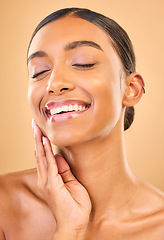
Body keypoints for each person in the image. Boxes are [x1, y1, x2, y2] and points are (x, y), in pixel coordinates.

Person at [0, 7, 164, 240]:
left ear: (131, 89)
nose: (54, 84)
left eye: (83, 63)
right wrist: (69, 231)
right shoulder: (4, 203)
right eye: (40, 71)